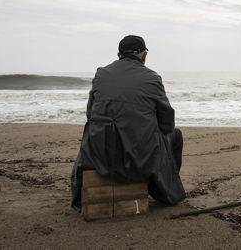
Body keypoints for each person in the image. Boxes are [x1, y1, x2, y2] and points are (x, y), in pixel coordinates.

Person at [70, 35, 185, 212]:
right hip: (139, 157)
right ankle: (161, 191)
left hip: (99, 154)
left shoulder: (101, 74)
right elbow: (167, 122)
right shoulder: (152, 78)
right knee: (175, 136)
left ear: (118, 55)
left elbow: (90, 114)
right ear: (144, 56)